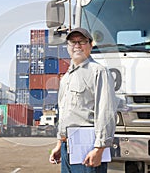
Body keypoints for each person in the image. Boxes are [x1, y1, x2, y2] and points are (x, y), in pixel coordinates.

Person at [49, 27, 118, 173]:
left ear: (91, 44)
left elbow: (106, 112)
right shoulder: (66, 77)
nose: (77, 46)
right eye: (73, 42)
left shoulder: (99, 72)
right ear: (67, 46)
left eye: (82, 42)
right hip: (67, 148)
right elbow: (64, 113)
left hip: (88, 147)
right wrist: (59, 144)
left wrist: (99, 149)